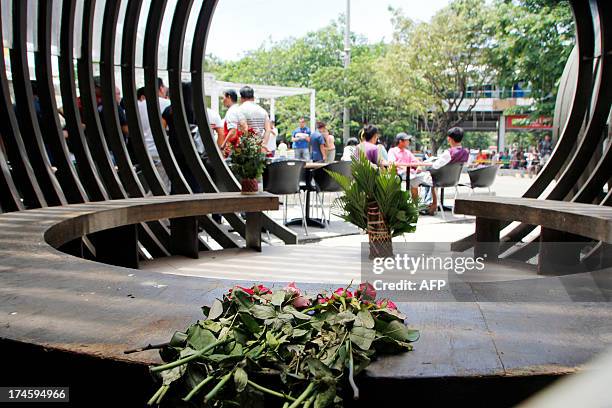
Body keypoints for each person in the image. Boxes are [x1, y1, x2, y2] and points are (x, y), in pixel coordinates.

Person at [137, 77, 171, 191]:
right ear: (161, 88)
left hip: (143, 151)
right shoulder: (168, 105)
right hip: (161, 152)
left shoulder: (138, 106)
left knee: (146, 187)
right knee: (163, 188)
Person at [425, 127, 469, 215]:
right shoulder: (466, 152)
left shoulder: (449, 152)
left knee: (421, 179)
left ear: (449, 138)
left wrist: (428, 168)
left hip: (440, 180)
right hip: (454, 180)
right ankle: (431, 204)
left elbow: (435, 166)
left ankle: (431, 204)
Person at [388, 133, 424, 202]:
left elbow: (416, 162)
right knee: (414, 179)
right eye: (407, 140)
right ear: (400, 141)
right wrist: (403, 167)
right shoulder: (392, 151)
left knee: (422, 178)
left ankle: (414, 206)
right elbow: (392, 162)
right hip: (399, 173)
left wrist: (419, 166)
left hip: (410, 173)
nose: (408, 142)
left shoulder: (407, 152)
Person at [238, 86, 271, 150]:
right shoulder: (263, 111)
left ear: (241, 98)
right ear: (253, 98)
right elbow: (268, 130)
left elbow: (243, 127)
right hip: (259, 146)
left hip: (245, 148)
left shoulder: (240, 109)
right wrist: (263, 144)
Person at [220, 89, 243, 156]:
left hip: (232, 148)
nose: (222, 101)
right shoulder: (238, 109)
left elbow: (233, 131)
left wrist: (222, 146)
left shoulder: (231, 111)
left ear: (229, 97)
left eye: (223, 98)